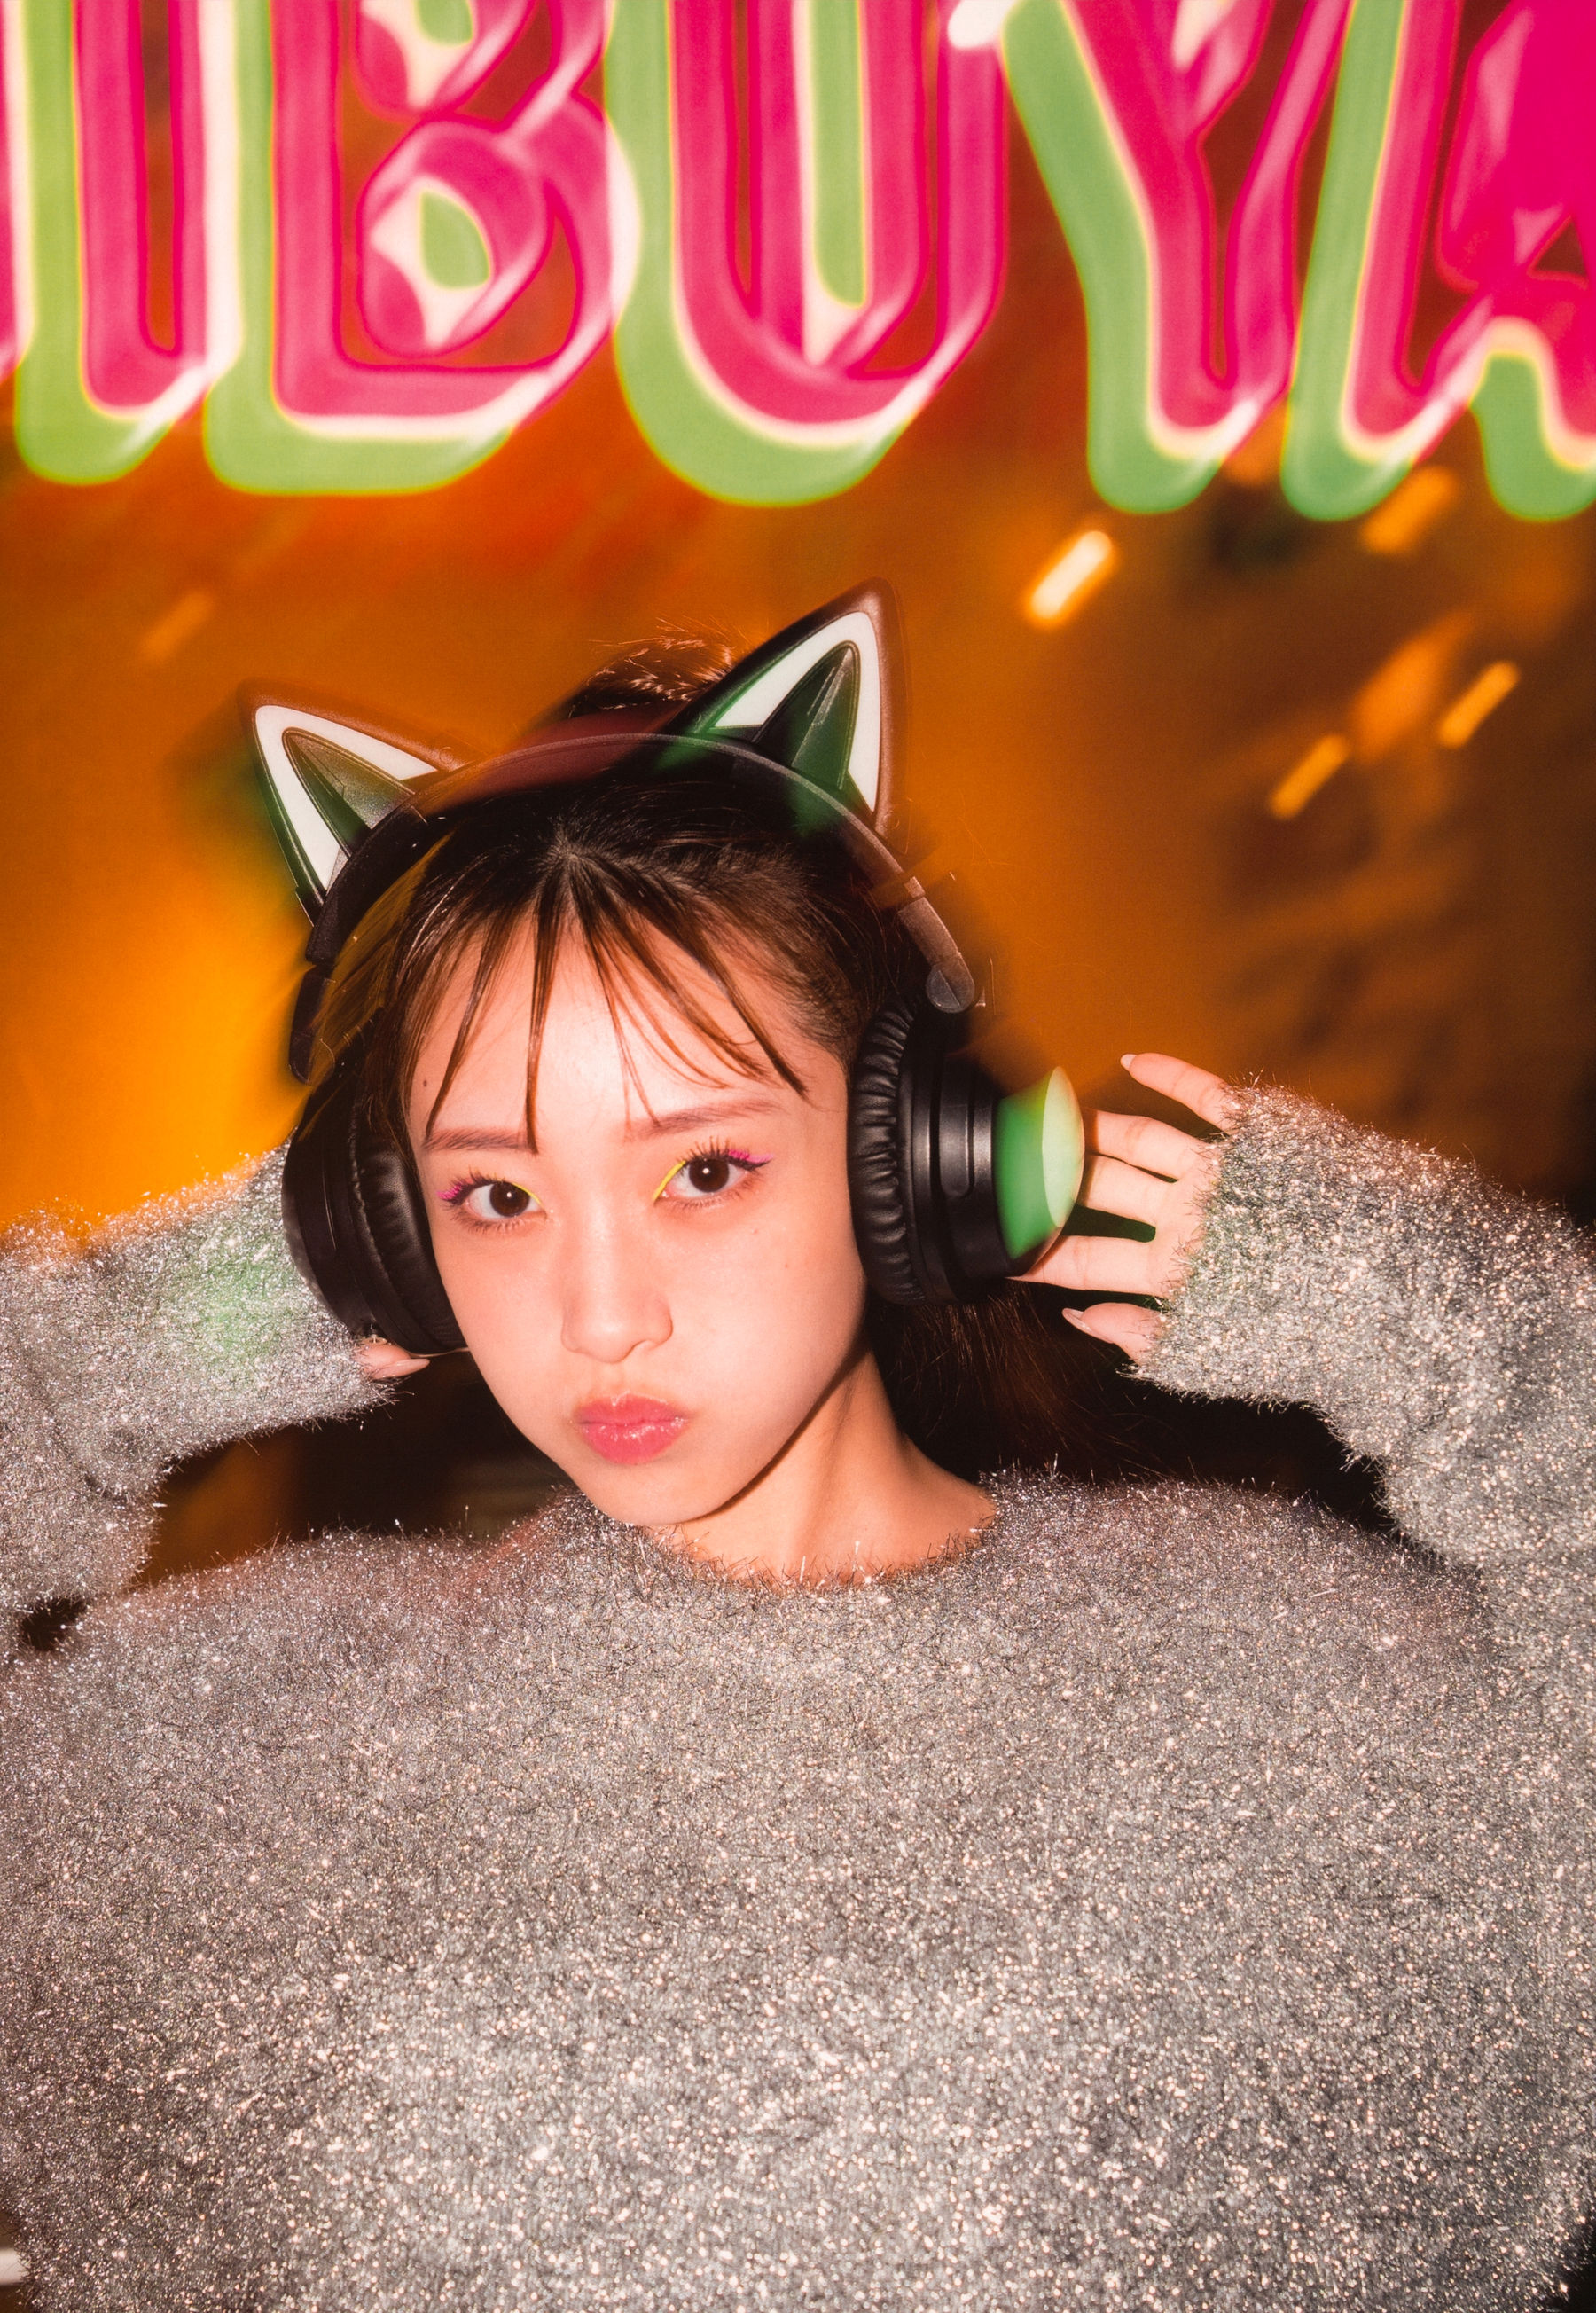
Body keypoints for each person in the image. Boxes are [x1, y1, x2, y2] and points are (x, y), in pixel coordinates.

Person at [1, 590, 1593, 2312]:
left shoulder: (1282, 1690)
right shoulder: (245, 1745)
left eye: (703, 1170)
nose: (601, 1315)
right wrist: (104, 1351)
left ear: (920, 1152)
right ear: (373, 1236)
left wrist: (1421, 1312)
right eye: (495, 1193)